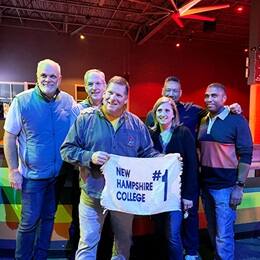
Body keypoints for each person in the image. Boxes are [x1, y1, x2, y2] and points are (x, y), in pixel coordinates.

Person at [60, 76, 159, 260]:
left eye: (119, 95)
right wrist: (90, 157)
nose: (113, 98)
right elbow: (66, 150)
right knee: (87, 244)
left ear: (125, 99)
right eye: (111, 93)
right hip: (92, 195)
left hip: (124, 198)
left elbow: (148, 153)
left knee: (122, 247)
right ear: (105, 93)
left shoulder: (136, 124)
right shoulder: (85, 119)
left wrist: (166, 161)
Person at [145, 76, 242, 259]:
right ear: (162, 92)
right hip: (159, 187)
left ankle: (191, 252)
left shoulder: (191, 114)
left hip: (185, 184)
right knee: (161, 226)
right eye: (168, 91)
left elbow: (213, 110)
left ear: (180, 94)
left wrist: (230, 108)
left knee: (186, 222)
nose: (171, 95)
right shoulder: (152, 124)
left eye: (175, 91)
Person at [3, 59, 76, 260]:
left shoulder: (68, 101)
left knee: (48, 220)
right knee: (28, 223)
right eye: (43, 75)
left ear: (59, 79)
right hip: (32, 177)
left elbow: (80, 128)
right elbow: (9, 136)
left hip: (57, 176)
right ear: (37, 76)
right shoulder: (22, 101)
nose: (48, 79)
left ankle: (40, 258)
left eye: (53, 76)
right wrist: (13, 170)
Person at [198, 83, 253, 260]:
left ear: (224, 99)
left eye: (214, 96)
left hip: (226, 188)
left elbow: (246, 154)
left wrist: (239, 186)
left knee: (224, 235)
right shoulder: (204, 119)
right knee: (213, 231)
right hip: (206, 186)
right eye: (207, 96)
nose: (209, 99)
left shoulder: (237, 120)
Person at [149, 97, 198, 260]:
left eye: (167, 110)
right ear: (155, 114)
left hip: (176, 195)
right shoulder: (150, 134)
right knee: (159, 233)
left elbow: (192, 165)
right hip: (156, 195)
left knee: (173, 235)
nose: (163, 114)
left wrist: (188, 195)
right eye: (159, 110)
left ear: (173, 114)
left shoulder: (183, 133)